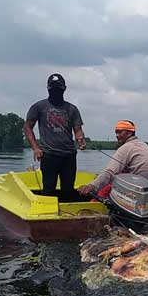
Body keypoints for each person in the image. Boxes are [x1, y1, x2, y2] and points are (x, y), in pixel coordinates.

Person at [23, 73, 87, 201]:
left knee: (68, 190)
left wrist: (80, 139)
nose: (55, 91)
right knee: (49, 189)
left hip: (69, 155)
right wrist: (35, 148)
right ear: (48, 89)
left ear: (64, 89)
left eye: (58, 88)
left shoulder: (72, 109)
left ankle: (67, 216)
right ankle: (47, 217)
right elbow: (27, 127)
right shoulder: (39, 107)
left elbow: (78, 129)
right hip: (49, 155)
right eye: (53, 88)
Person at [77, 120, 148, 199]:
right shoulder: (143, 145)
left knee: (105, 187)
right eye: (116, 132)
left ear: (129, 133)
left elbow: (110, 172)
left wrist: (91, 186)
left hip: (136, 193)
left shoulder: (126, 147)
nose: (117, 135)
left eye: (120, 132)